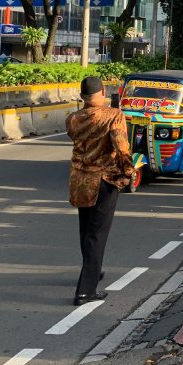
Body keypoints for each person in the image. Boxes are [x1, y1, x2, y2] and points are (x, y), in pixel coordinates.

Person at [66, 76, 133, 306]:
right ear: (103, 92)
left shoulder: (73, 119)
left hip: (79, 179)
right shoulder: (114, 116)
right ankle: (85, 291)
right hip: (104, 179)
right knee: (97, 234)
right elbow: (122, 148)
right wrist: (128, 172)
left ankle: (93, 271)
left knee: (86, 230)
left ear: (82, 96)